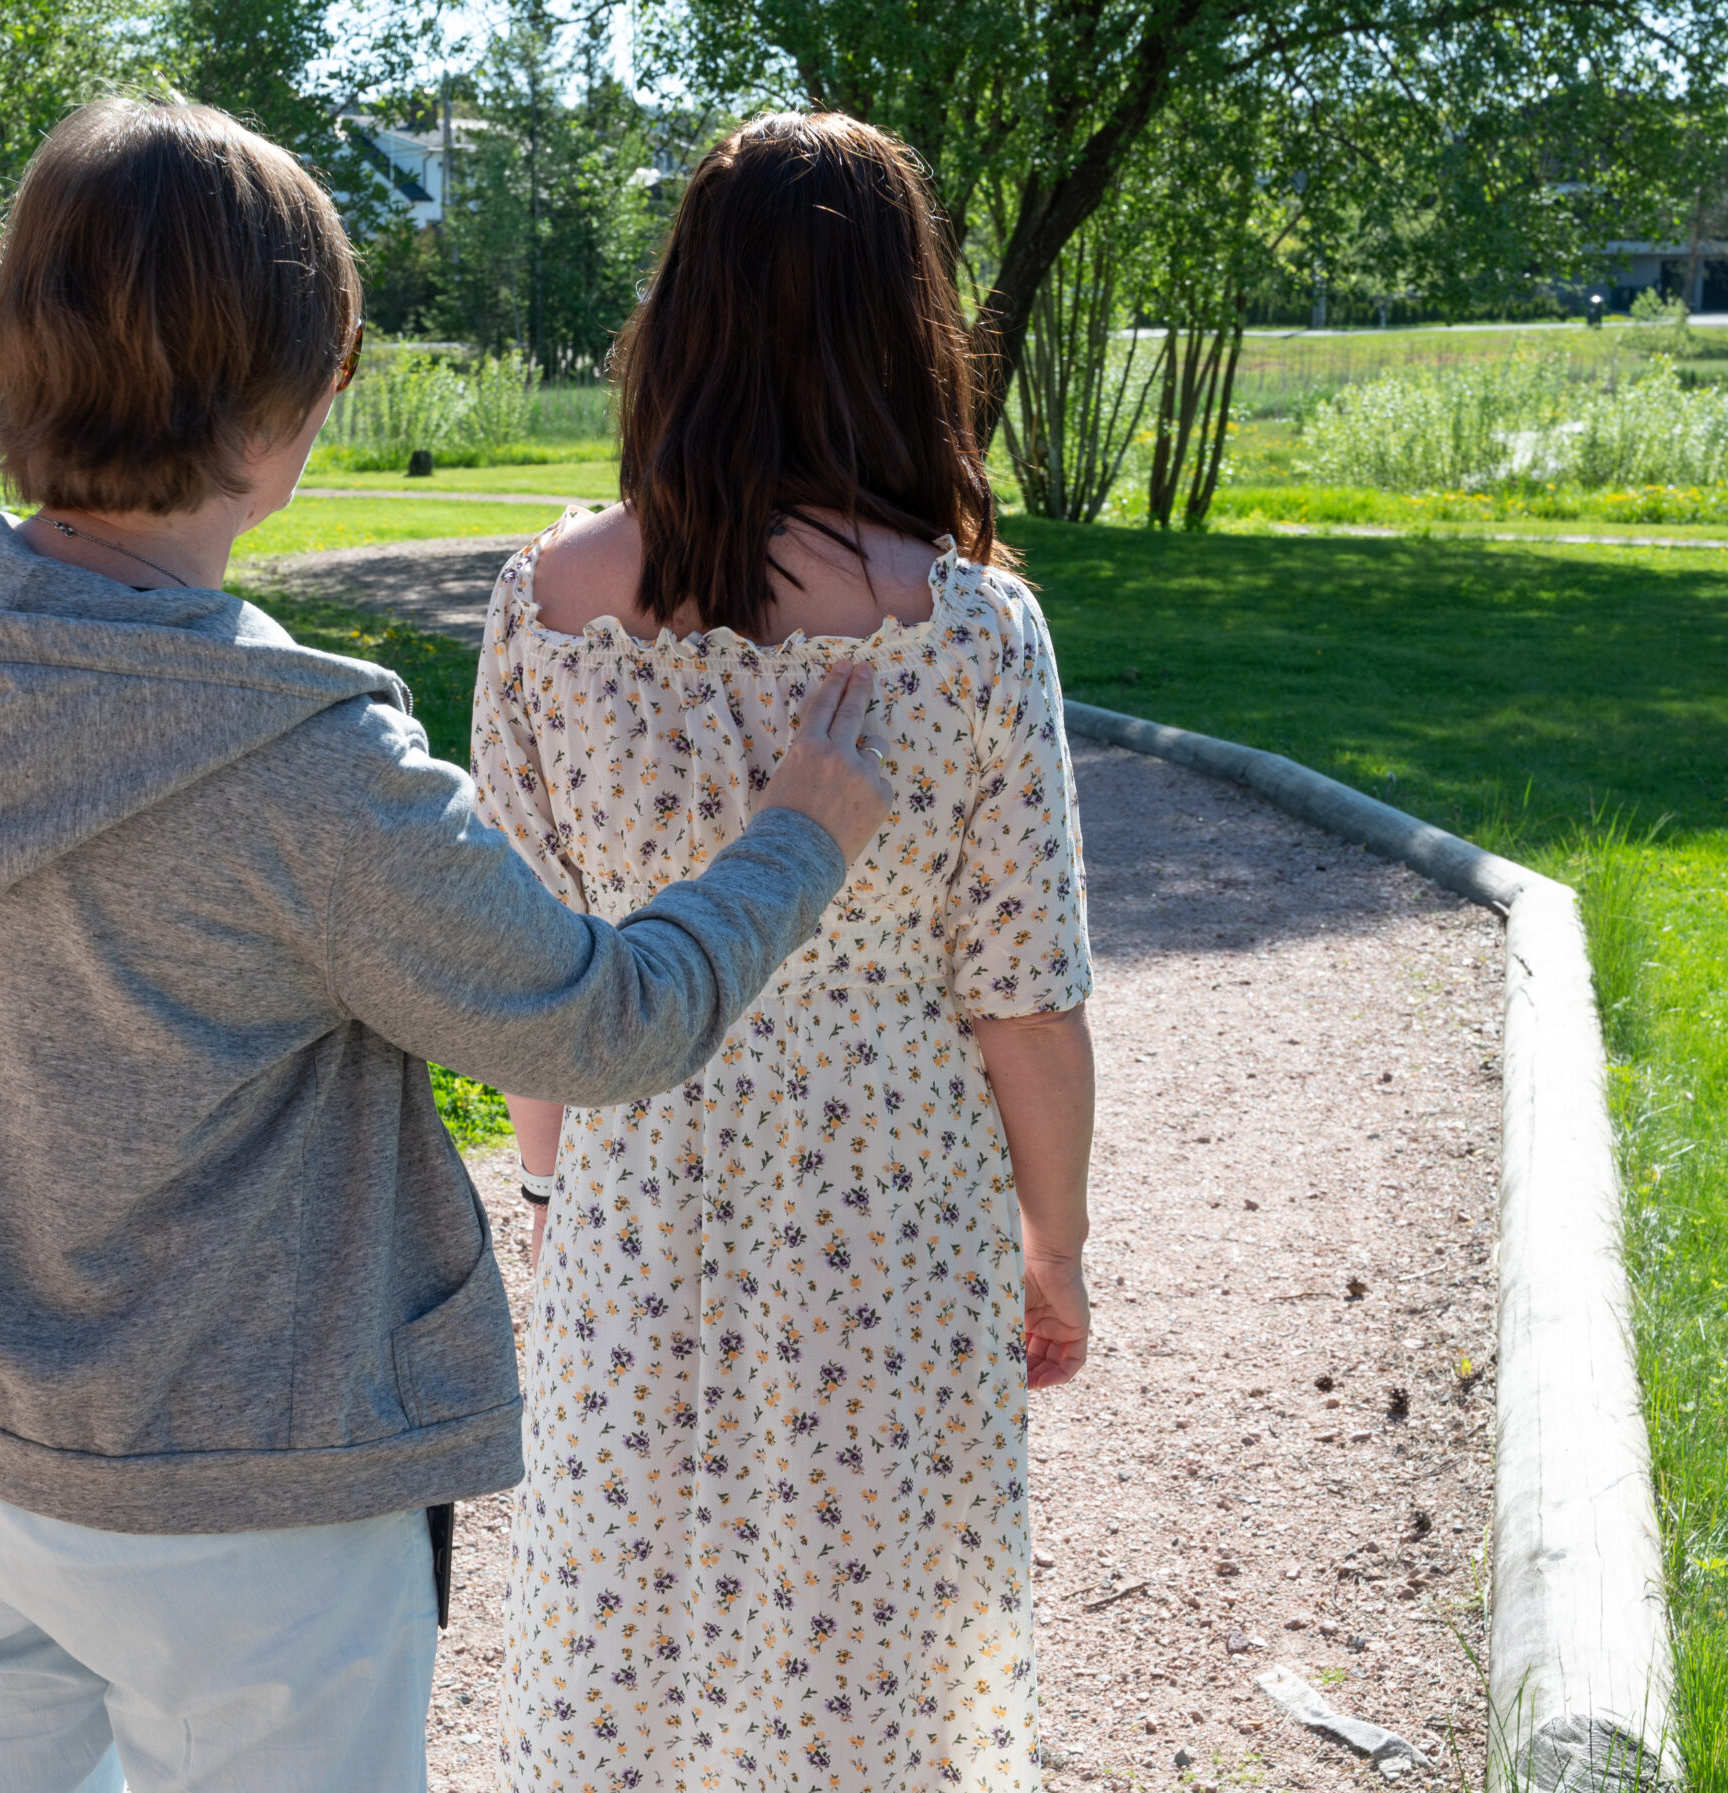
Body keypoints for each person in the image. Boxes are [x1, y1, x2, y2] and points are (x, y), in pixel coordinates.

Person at [0, 97, 892, 1793]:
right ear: (288, 415)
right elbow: (608, 1025)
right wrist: (803, 827)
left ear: (9, 362)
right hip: (242, 1504)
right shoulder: (302, 761)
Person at [472, 113, 1096, 1792]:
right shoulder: (969, 628)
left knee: (633, 1643)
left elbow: (536, 985)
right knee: (874, 1644)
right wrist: (1059, 1244)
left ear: (685, 319)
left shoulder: (550, 603)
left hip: (638, 1189)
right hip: (893, 1213)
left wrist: (549, 1201)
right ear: (910, 330)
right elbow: (1023, 996)